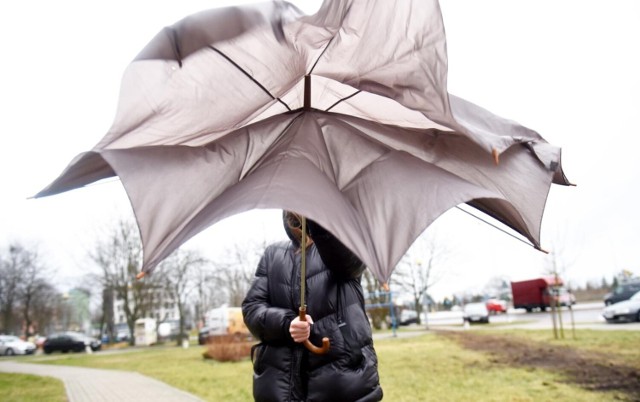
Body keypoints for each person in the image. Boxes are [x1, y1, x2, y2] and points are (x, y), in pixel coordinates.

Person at [242, 211, 383, 402]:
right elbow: (252, 308)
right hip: (280, 388)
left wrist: (317, 220)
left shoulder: (347, 245)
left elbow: (348, 264)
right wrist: (286, 324)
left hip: (342, 385)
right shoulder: (272, 254)